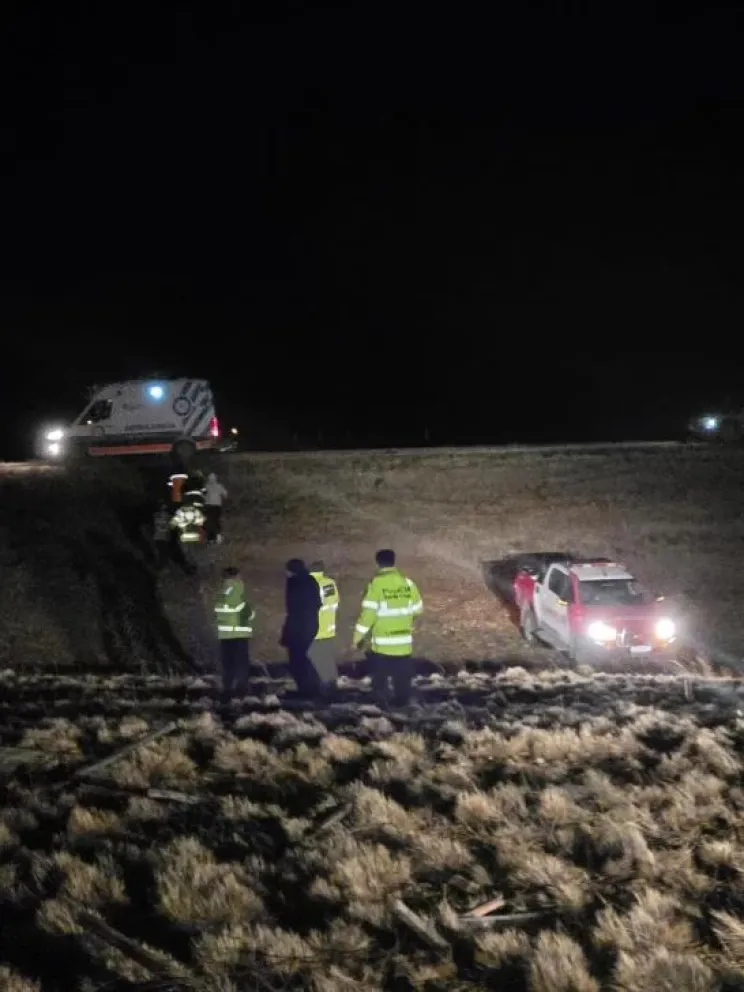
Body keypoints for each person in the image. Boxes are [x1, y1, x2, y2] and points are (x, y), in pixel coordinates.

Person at [352, 548, 423, 706]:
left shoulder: (376, 584)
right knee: (402, 678)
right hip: (403, 642)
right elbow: (418, 608)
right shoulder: (408, 583)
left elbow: (367, 615)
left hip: (383, 644)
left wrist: (358, 637)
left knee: (380, 677)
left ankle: (382, 705)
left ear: (378, 563)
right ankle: (404, 706)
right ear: (393, 561)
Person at [280, 558, 322, 696]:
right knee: (307, 658)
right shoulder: (311, 581)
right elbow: (317, 603)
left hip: (298, 627)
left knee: (297, 659)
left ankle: (305, 688)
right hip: (310, 625)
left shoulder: (294, 583)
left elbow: (292, 606)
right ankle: (313, 686)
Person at [214, 565, 255, 700]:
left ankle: (228, 687)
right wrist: (250, 612)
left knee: (228, 662)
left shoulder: (222, 592)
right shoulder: (237, 588)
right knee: (241, 662)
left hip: (225, 633)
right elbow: (244, 610)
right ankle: (242, 689)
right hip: (239, 632)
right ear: (235, 576)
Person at [308, 560, 340, 691]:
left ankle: (323, 687)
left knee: (316, 658)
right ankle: (332, 684)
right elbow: (334, 603)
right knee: (327, 657)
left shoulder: (310, 584)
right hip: (329, 627)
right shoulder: (329, 583)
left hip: (315, 627)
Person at [204, 471, 228, 544]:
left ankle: (211, 538)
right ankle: (218, 537)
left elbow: (202, 495)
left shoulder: (206, 486)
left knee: (209, 522)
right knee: (216, 521)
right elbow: (225, 494)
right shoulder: (219, 486)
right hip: (217, 507)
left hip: (208, 506)